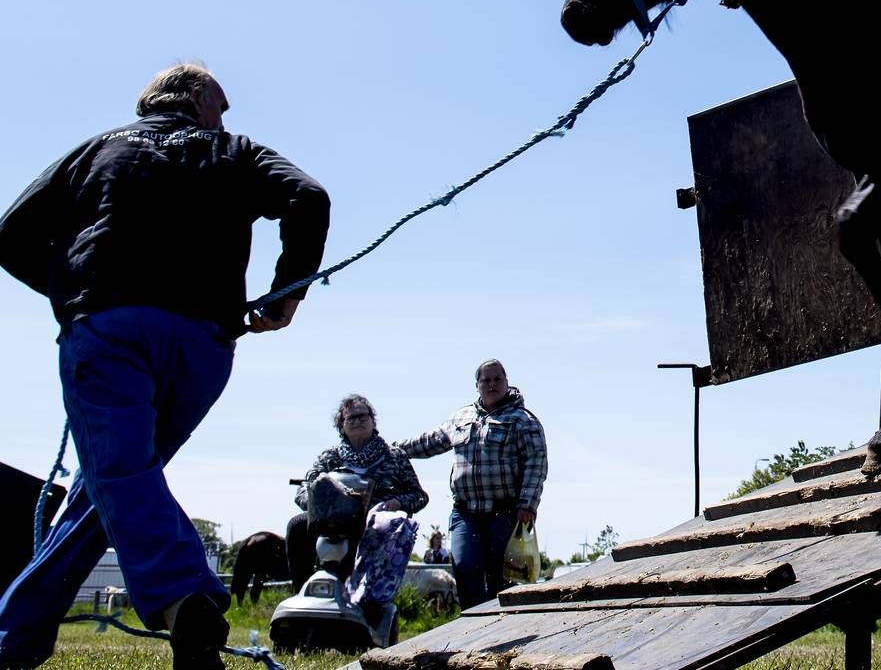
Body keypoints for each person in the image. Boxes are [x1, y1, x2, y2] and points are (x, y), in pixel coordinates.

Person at [0, 63, 329, 670]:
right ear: (199, 101)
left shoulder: (97, 148)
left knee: (120, 476)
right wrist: (288, 292)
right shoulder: (237, 151)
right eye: (222, 107)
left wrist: (70, 293)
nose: (225, 120)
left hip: (110, 331)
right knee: (110, 489)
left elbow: (10, 233)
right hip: (204, 344)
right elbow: (308, 196)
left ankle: (188, 598)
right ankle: (13, 636)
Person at [396, 359, 548, 608]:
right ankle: (470, 629)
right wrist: (393, 450)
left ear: (507, 383)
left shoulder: (523, 420)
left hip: (505, 512)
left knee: (501, 578)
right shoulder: (461, 418)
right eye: (485, 380)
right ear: (476, 385)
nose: (492, 385)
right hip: (465, 512)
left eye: (497, 379)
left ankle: (501, 632)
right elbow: (430, 441)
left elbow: (536, 464)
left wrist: (528, 505)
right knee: (465, 567)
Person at [285, 395, 429, 593]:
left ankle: (366, 599)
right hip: (333, 522)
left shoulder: (394, 455)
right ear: (341, 425)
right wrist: (315, 502)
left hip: (375, 524)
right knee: (297, 525)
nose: (358, 421)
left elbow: (419, 495)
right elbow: (306, 487)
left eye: (363, 416)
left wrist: (398, 502)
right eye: (351, 418)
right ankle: (302, 591)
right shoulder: (331, 456)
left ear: (373, 420)